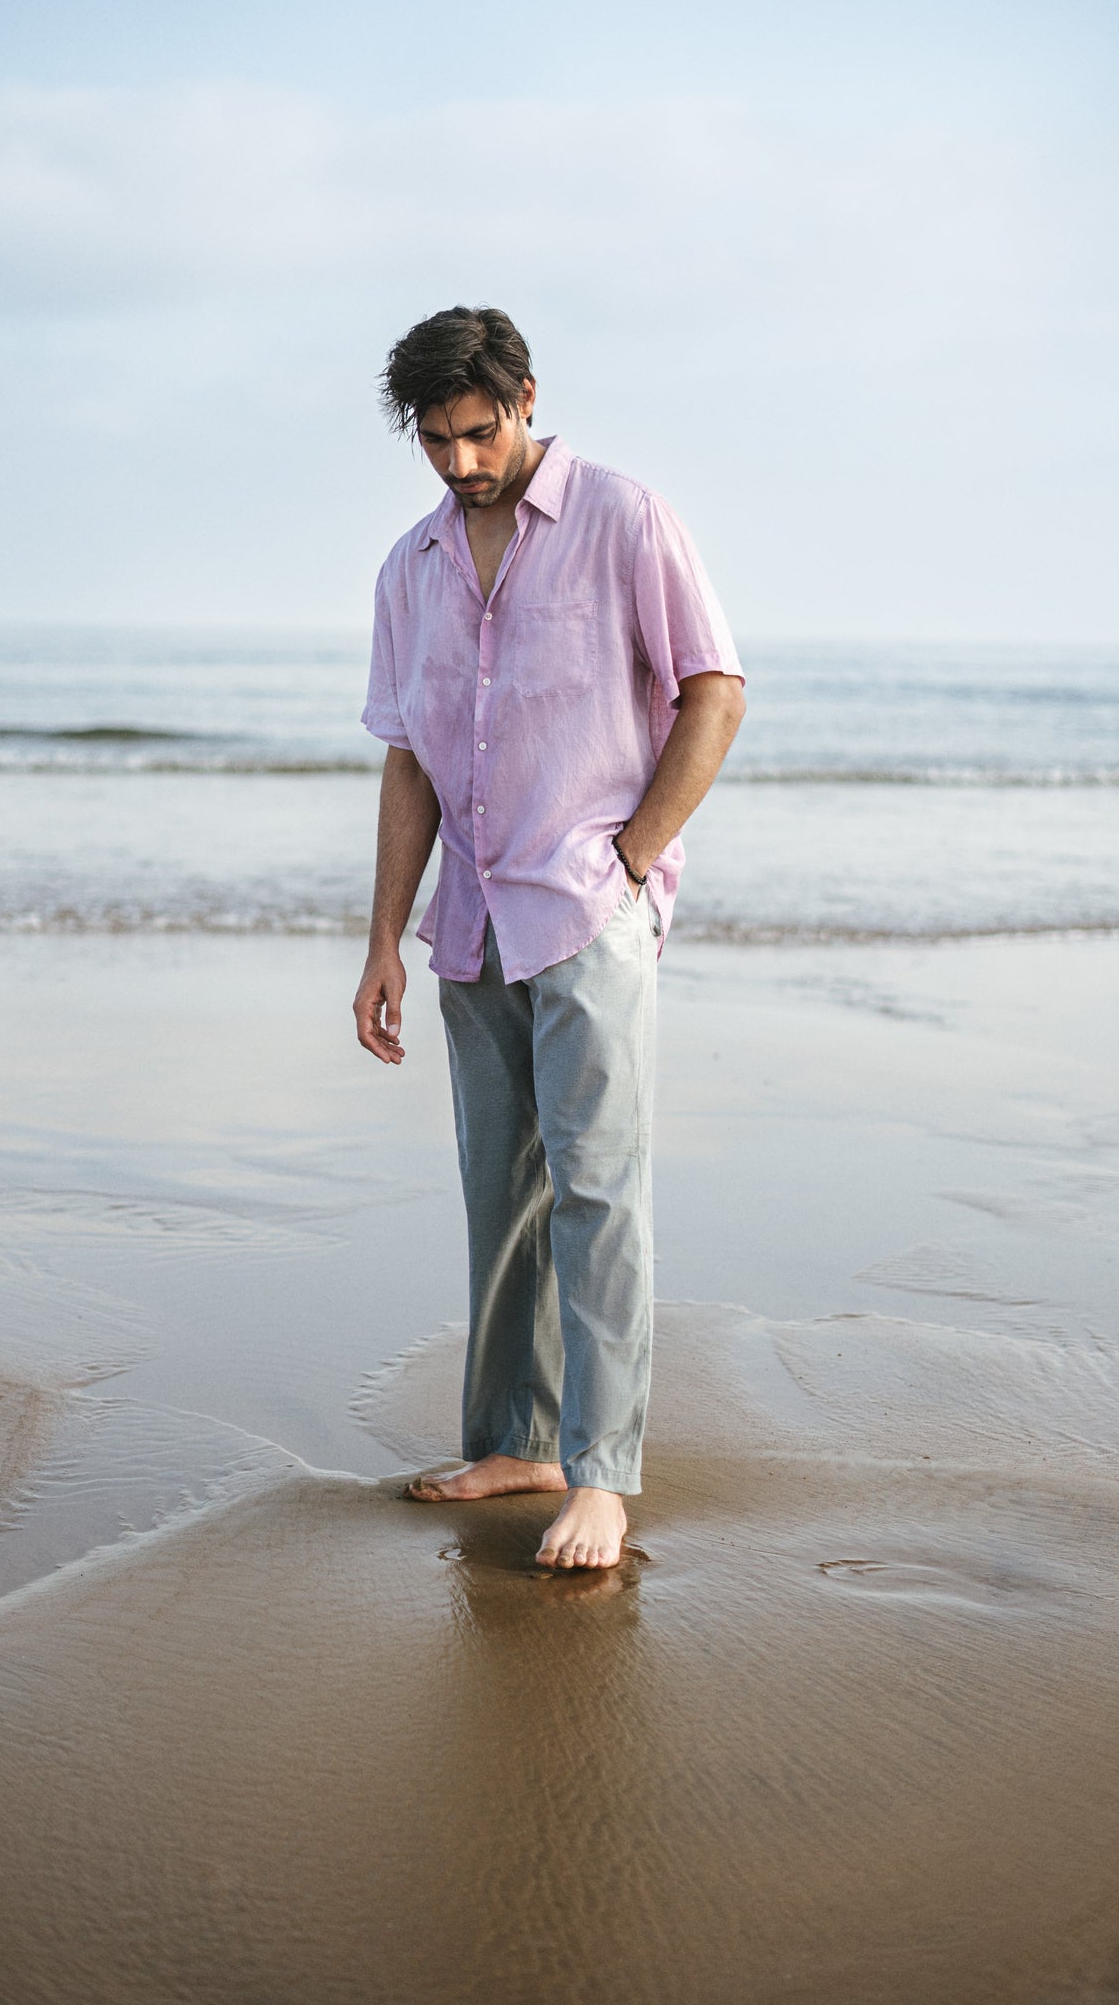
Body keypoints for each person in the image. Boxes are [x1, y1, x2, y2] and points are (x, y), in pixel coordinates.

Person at [354, 306, 744, 1570]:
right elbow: (408, 759)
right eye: (436, 440)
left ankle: (602, 1474)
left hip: (583, 910)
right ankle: (516, 1438)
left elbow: (713, 688)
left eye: (479, 431)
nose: (462, 461)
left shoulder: (624, 519)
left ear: (525, 396)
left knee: (596, 1191)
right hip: (466, 924)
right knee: (501, 1197)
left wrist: (630, 862)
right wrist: (381, 942)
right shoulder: (409, 566)